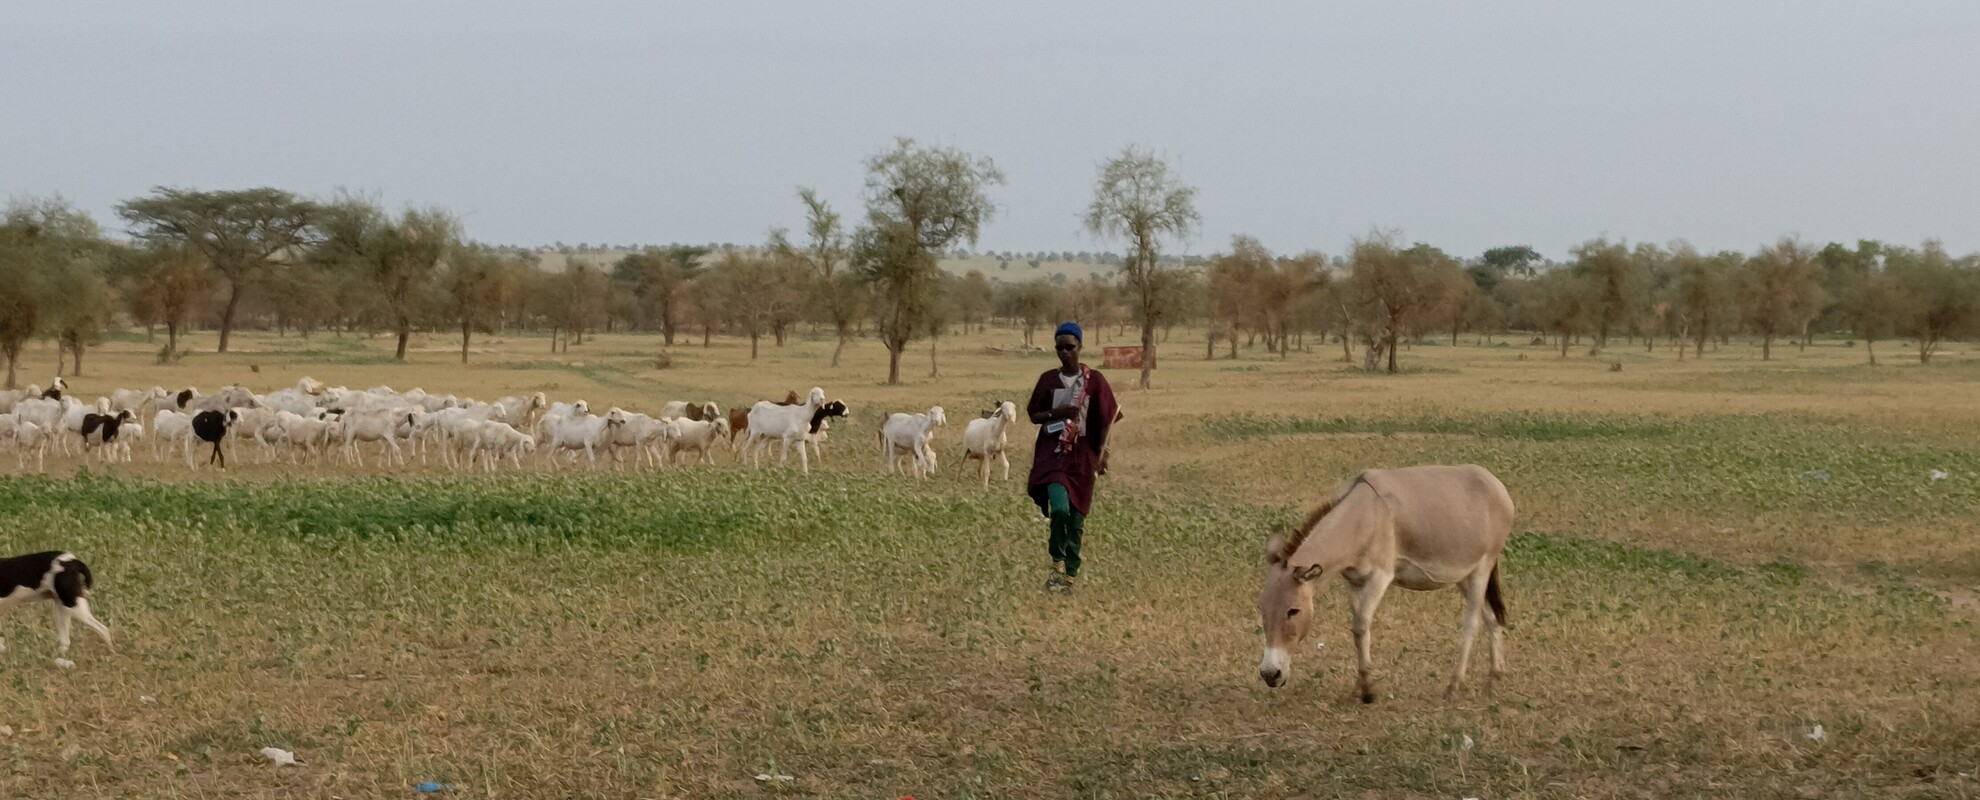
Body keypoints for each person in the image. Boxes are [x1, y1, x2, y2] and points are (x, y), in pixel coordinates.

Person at [1026, 321, 1118, 594]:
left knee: (1076, 520)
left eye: (1070, 347)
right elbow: (1033, 415)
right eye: (1059, 347)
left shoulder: (1095, 381)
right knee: (1061, 509)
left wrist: (1104, 454)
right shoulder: (1048, 380)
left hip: (1083, 458)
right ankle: (1056, 562)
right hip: (1053, 457)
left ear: (1080, 347)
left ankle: (1070, 578)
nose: (1064, 352)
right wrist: (1058, 413)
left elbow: (1107, 420)